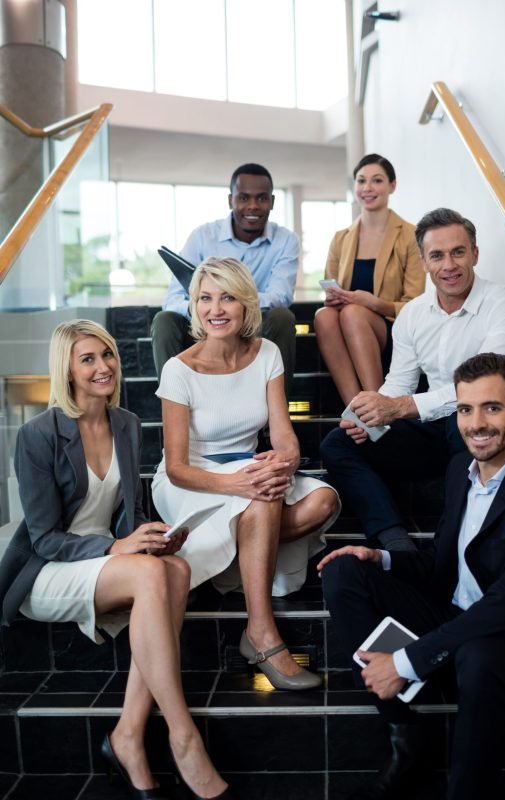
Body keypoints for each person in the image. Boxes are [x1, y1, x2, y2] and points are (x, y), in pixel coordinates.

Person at [319, 353, 505, 800]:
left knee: (478, 655)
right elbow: (442, 562)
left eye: (491, 408)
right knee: (345, 570)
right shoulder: (461, 469)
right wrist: (380, 558)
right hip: (453, 616)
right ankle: (403, 730)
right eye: (465, 409)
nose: (476, 424)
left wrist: (405, 661)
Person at [0, 320, 234, 800]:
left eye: (107, 355)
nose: (104, 366)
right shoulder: (37, 436)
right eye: (87, 359)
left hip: (109, 559)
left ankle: (128, 735)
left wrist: (149, 537)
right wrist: (115, 548)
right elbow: (45, 538)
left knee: (177, 567)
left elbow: (127, 511)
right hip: (50, 570)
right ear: (65, 369)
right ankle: (182, 735)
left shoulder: (126, 423)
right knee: (151, 573)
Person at [151, 256, 340, 691]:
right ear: (194, 306)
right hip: (194, 478)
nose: (215, 309)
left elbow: (283, 435)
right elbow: (177, 467)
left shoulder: (267, 353)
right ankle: (260, 632)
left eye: (227, 297)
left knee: (324, 500)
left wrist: (284, 461)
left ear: (245, 303)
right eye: (204, 298)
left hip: (248, 468)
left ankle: (229, 551)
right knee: (262, 497)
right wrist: (238, 483)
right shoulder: (178, 370)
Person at [320, 207, 505, 552]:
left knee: (465, 417)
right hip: (429, 428)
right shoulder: (413, 314)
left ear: (475, 254)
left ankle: (454, 543)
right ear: (423, 262)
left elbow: (486, 390)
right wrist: (369, 415)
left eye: (458, 252)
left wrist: (399, 406)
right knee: (337, 442)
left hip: (480, 425)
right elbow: (399, 383)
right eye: (437, 255)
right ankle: (393, 538)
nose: (448, 265)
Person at [152, 162, 299, 397]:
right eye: (244, 198)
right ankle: (174, 403)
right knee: (164, 321)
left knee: (282, 317)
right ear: (230, 200)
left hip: (254, 323)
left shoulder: (286, 240)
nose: (252, 206)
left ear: (272, 202)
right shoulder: (202, 237)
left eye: (261, 198)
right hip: (205, 323)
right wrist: (210, 310)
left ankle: (276, 411)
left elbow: (280, 296)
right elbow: (172, 300)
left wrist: (234, 304)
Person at [314, 154, 424, 407]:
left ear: (392, 186)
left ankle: (379, 403)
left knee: (354, 312)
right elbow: (329, 288)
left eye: (377, 180)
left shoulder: (410, 235)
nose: (368, 188)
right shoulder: (341, 238)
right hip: (348, 324)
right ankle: (356, 408)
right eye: (361, 181)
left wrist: (372, 303)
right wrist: (333, 298)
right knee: (323, 315)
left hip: (392, 327)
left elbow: (414, 305)